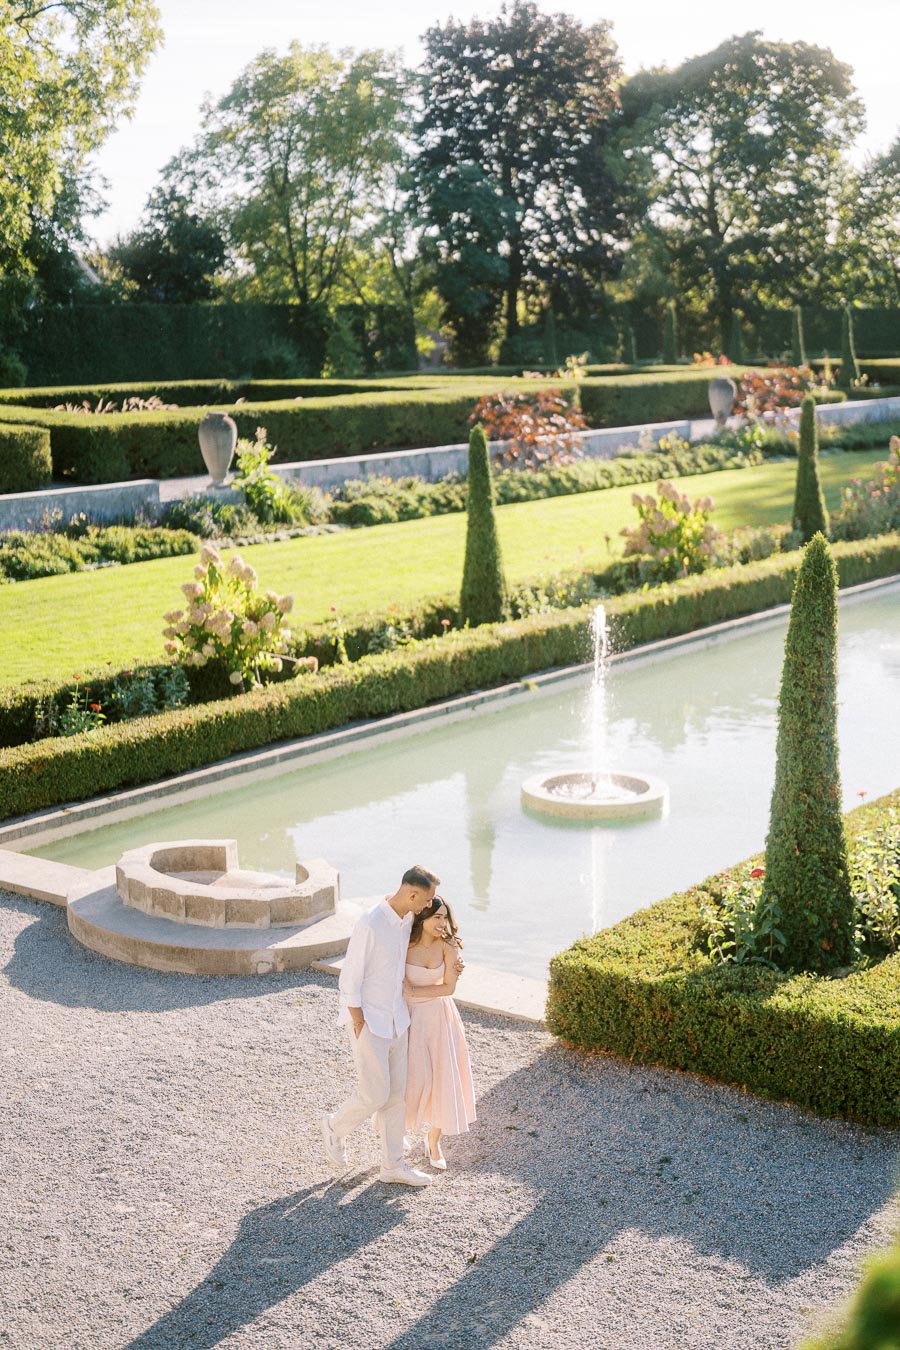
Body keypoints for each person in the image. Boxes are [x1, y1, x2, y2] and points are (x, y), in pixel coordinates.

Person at [321, 865, 441, 1187]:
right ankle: (334, 1126)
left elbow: (438, 926)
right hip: (370, 1022)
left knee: (396, 1097)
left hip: (397, 1019)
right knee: (374, 1094)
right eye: (426, 900)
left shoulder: (407, 920)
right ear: (412, 893)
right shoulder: (371, 923)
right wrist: (359, 1023)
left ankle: (393, 1166)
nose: (428, 906)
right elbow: (349, 980)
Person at [403, 895, 476, 1170]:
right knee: (408, 1076)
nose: (441, 922)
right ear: (422, 918)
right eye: (436, 917)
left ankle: (433, 1140)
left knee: (442, 1078)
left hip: (437, 1018)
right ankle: (396, 1133)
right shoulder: (404, 942)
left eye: (444, 917)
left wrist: (413, 991)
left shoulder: (449, 947)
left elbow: (448, 988)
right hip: (407, 1017)